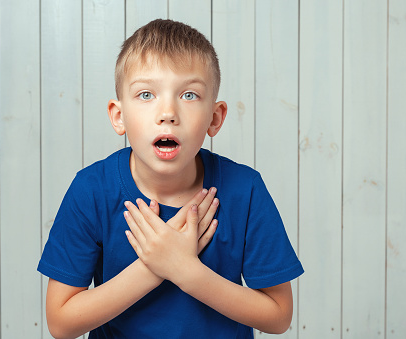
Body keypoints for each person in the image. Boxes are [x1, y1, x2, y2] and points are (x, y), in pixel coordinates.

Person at [38, 19, 303, 339]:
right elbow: (61, 323)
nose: (168, 112)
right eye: (146, 94)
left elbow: (278, 317)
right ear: (118, 116)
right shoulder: (91, 191)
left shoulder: (245, 190)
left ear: (215, 118)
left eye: (189, 95)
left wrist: (187, 272)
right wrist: (153, 267)